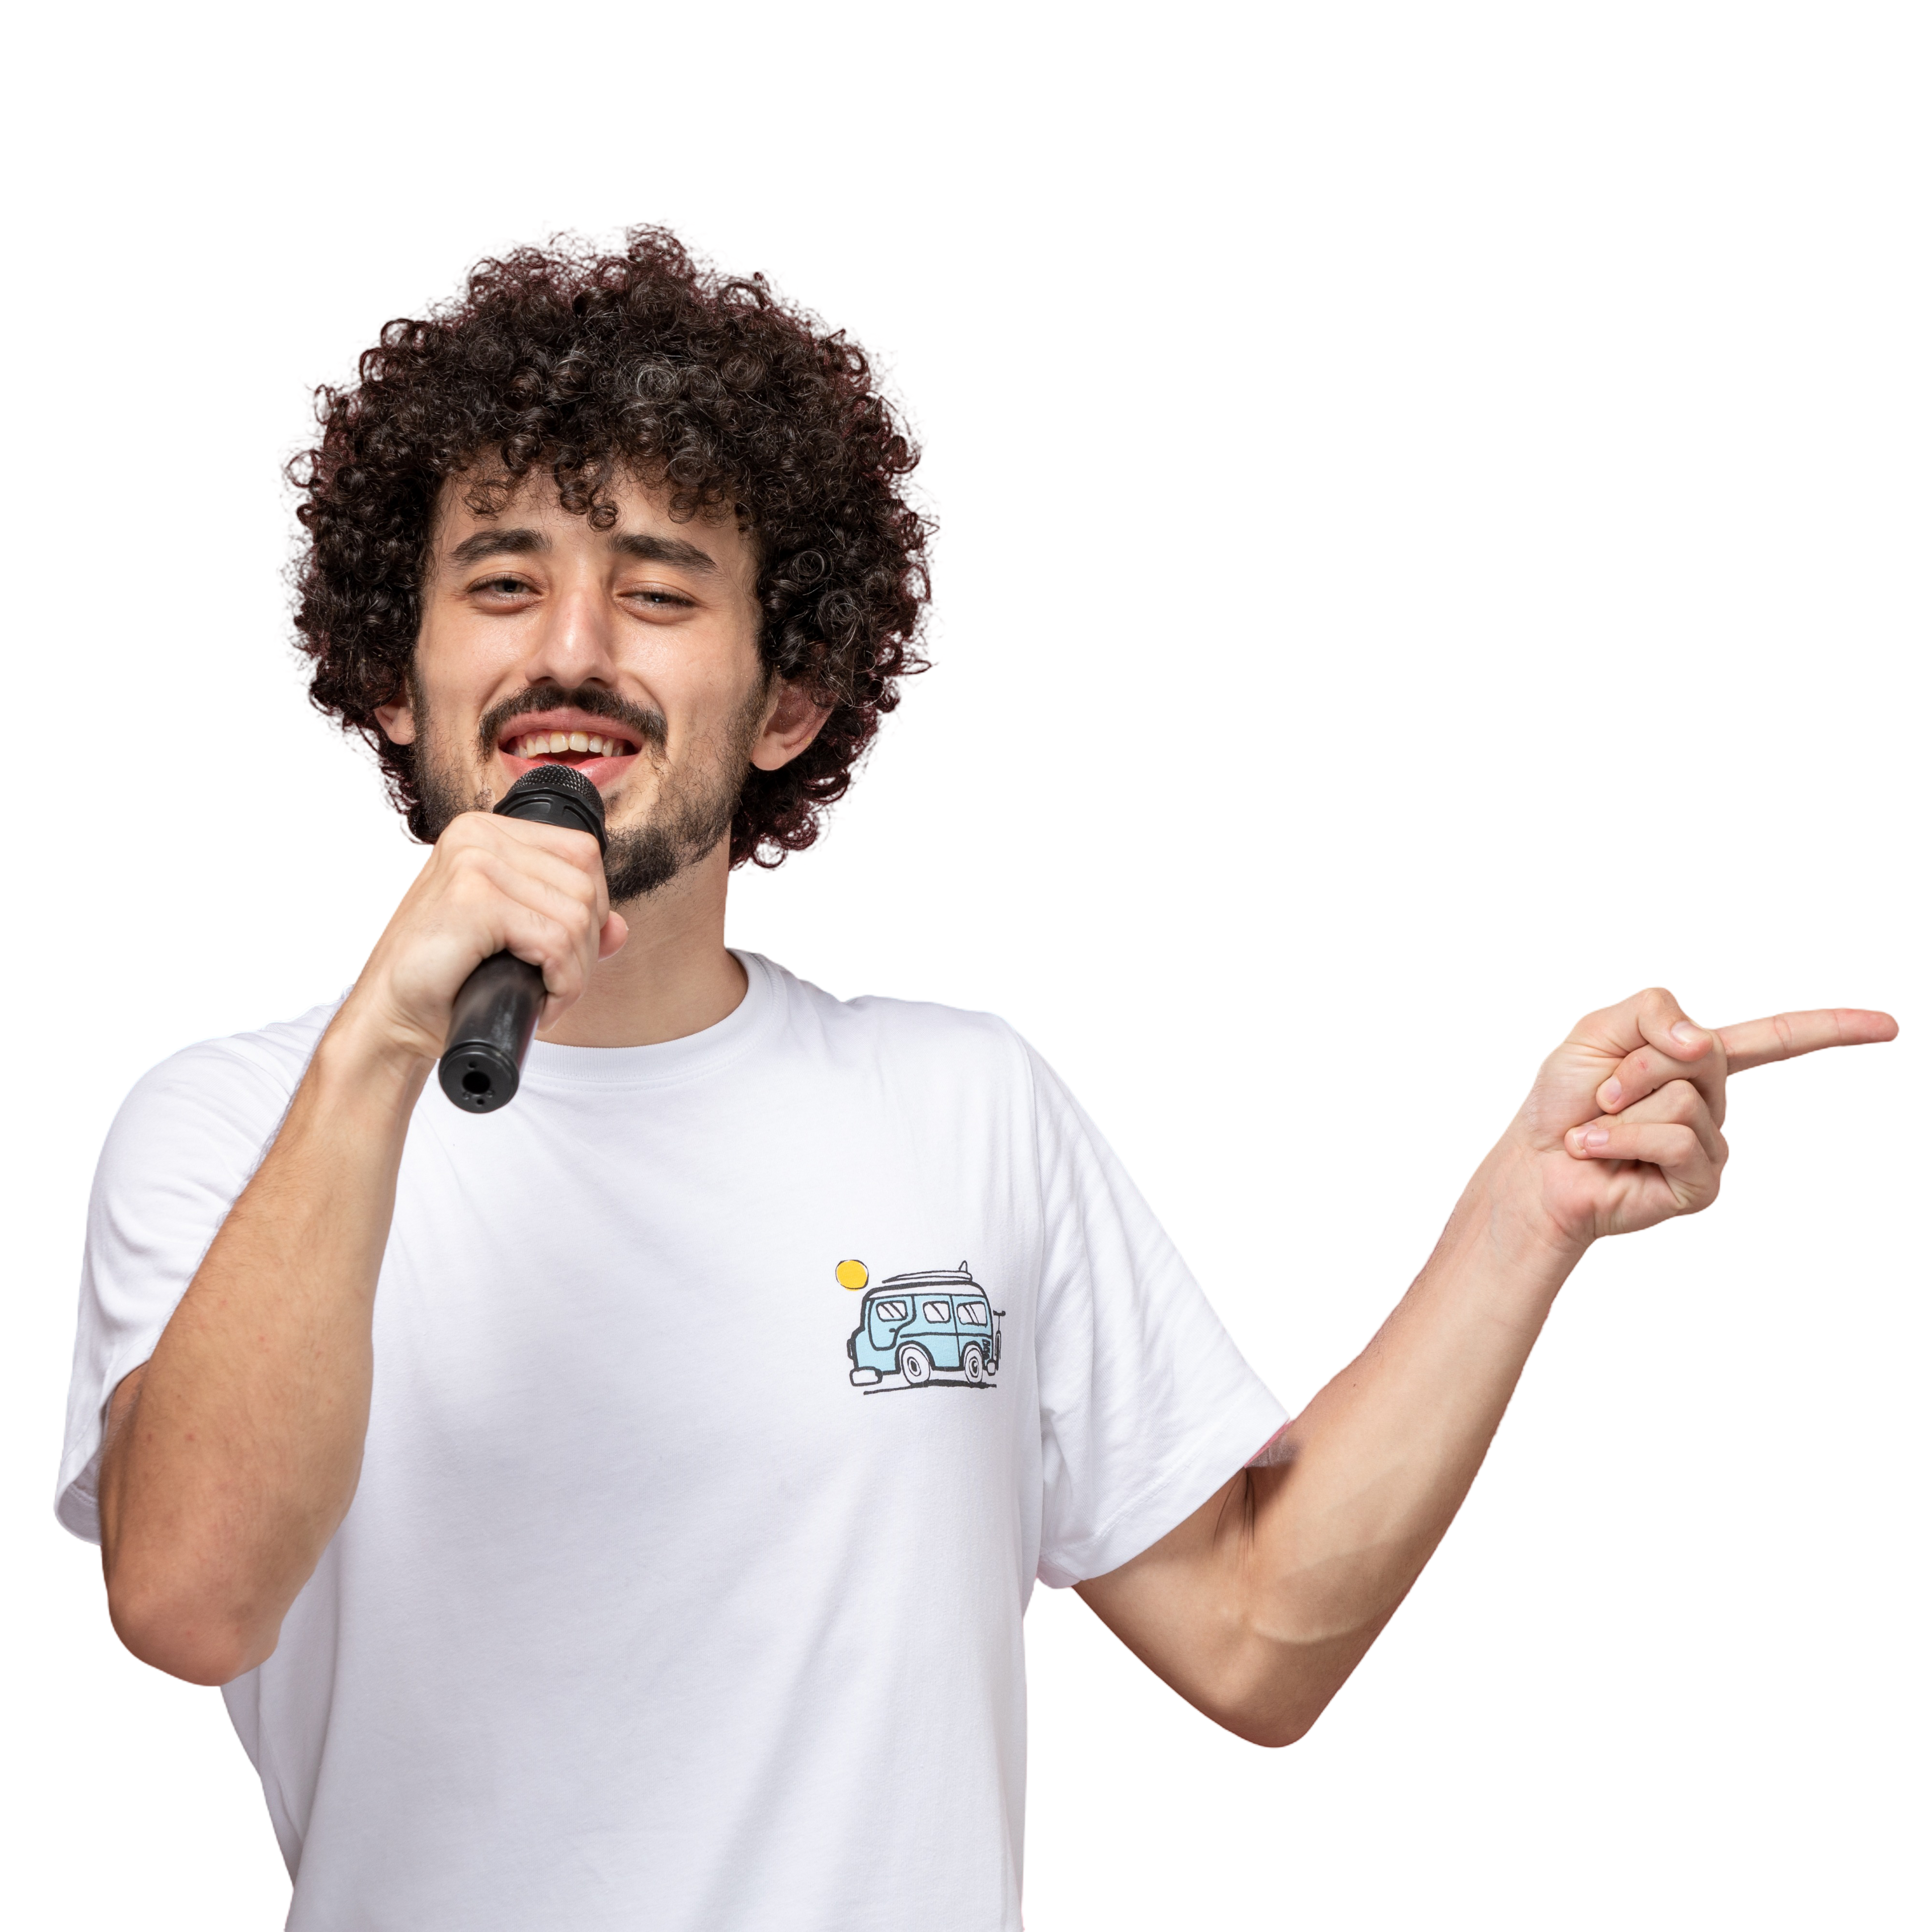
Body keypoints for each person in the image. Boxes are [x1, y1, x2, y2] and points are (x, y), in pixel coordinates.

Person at [52, 219, 1900, 1931]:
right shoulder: (226, 1124)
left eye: (664, 589)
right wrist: (393, 1029)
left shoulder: (962, 1104)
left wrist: (1530, 1212)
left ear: (789, 698)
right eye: (503, 581)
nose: (575, 653)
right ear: (395, 668)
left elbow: (1258, 1642)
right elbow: (189, 1604)